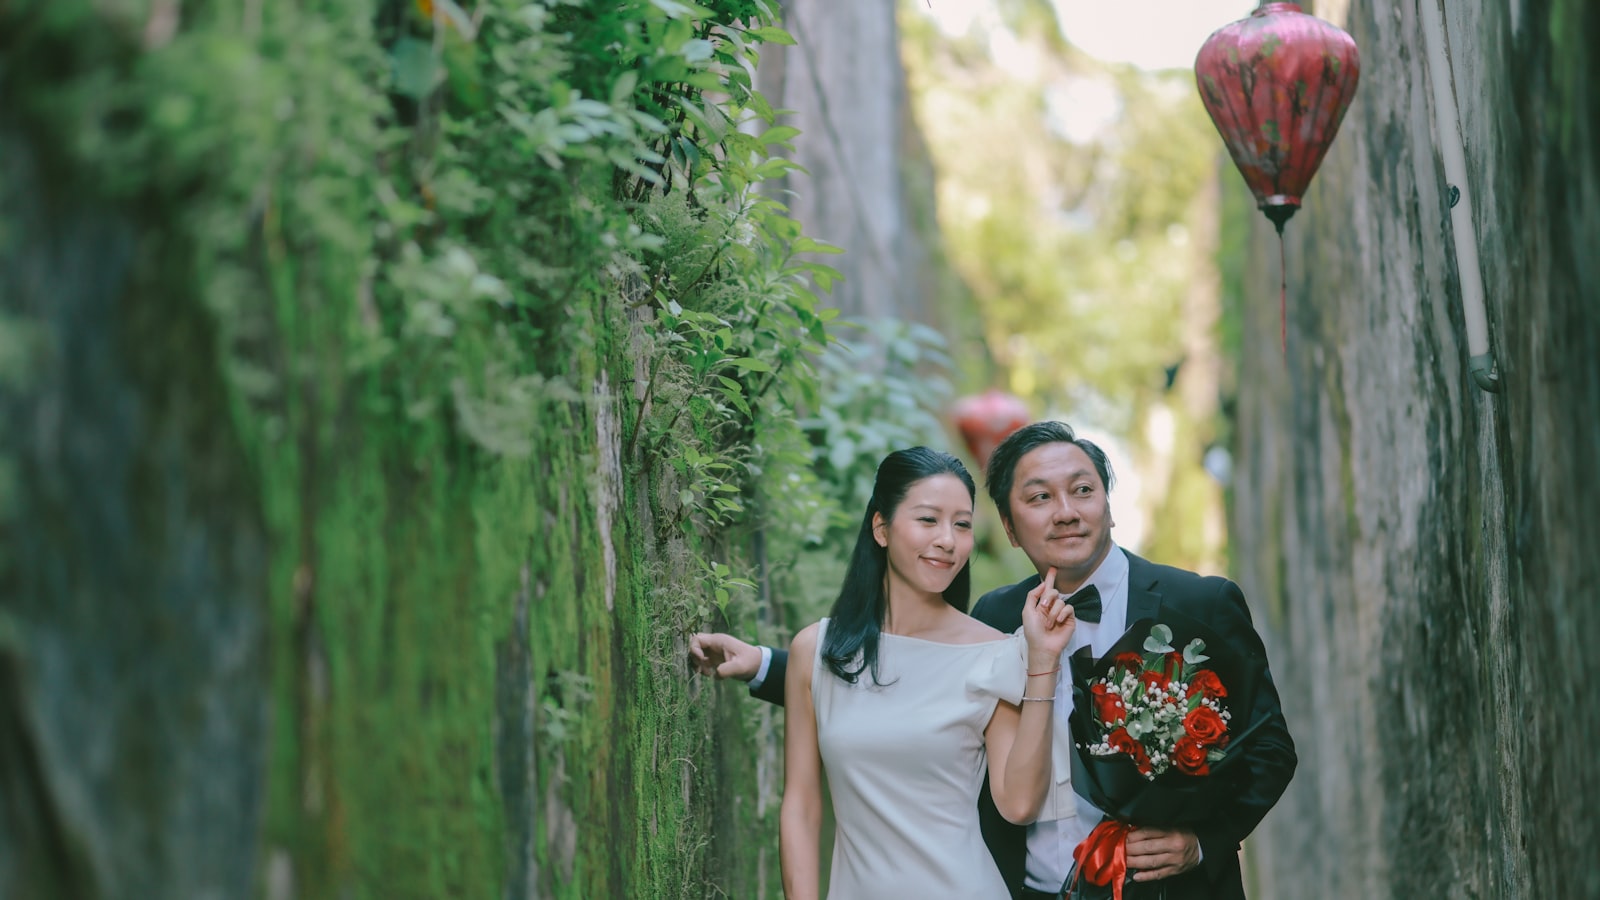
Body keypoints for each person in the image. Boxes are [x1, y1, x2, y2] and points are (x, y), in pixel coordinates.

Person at [691, 422, 1297, 899]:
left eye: (1083, 490)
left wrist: (1202, 842)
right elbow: (915, 685)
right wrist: (772, 667)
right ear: (1009, 528)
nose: (1066, 510)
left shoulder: (1200, 604)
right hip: (1021, 887)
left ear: (1109, 505)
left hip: (1165, 892)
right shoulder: (995, 617)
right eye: (1039, 498)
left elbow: (1269, 749)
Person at [775, 447, 1078, 899]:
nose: (947, 540)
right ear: (881, 528)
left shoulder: (995, 653)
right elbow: (800, 806)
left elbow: (1018, 804)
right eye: (927, 520)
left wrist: (1041, 664)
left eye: (961, 524)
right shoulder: (815, 651)